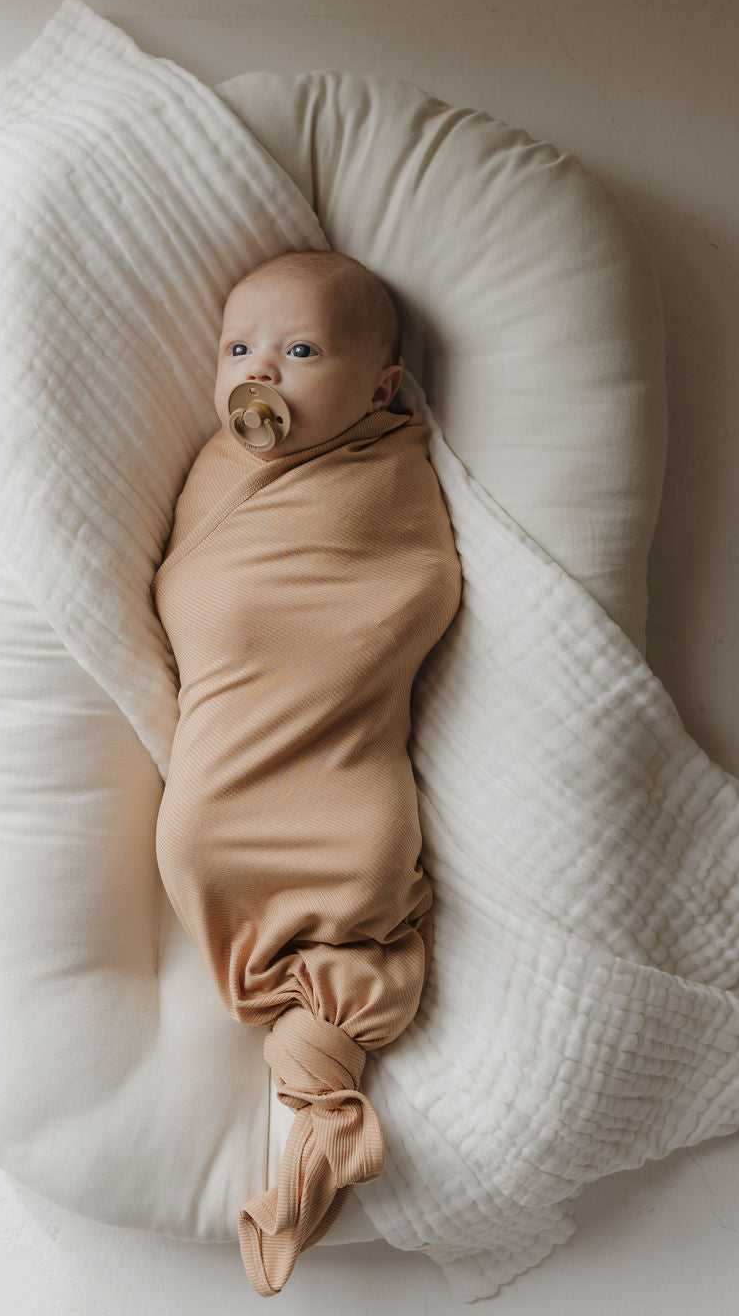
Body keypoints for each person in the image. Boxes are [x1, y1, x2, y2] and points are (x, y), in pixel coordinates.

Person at [151, 249, 462, 1296]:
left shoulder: (386, 469)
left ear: (379, 388)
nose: (262, 373)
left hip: (339, 766)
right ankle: (318, 1122)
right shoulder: (214, 468)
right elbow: (190, 577)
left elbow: (412, 584)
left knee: (358, 894)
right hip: (222, 781)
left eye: (300, 351)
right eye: (238, 349)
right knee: (204, 847)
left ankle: (312, 1139)